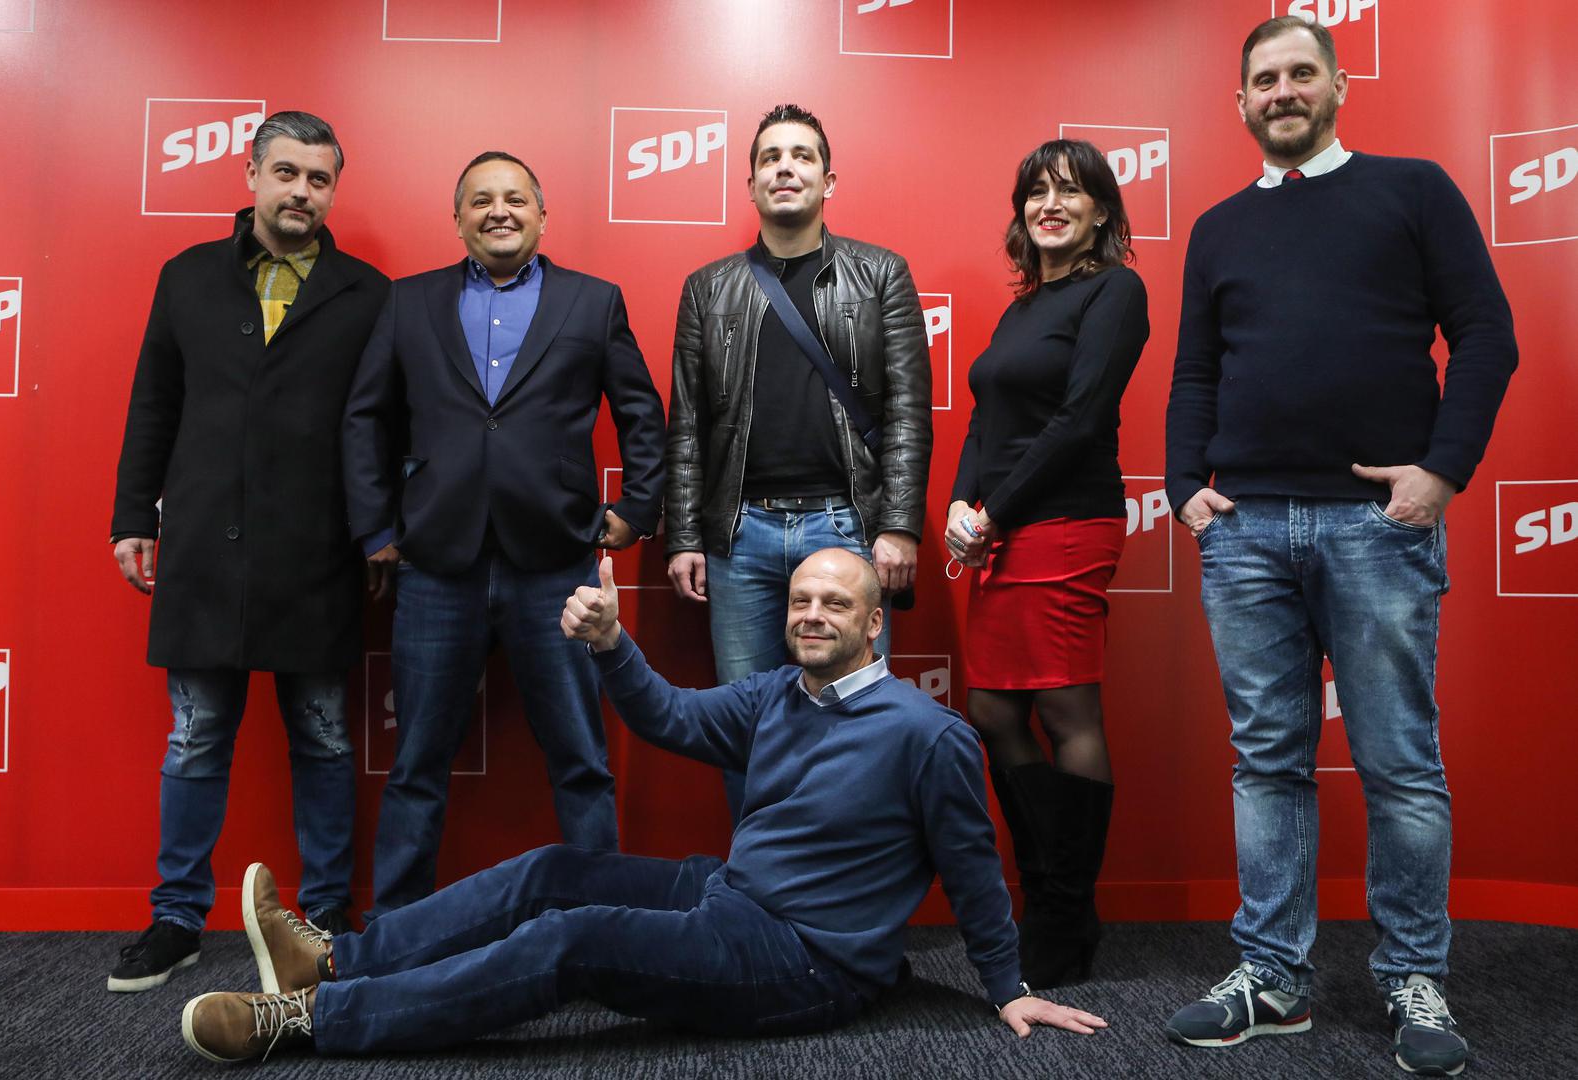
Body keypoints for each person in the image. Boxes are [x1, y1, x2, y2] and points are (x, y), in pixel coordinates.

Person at [177, 549, 1109, 1062]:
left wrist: (1006, 988)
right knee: (552, 871)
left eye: (835, 603)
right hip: (731, 895)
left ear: (874, 623)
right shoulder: (776, 694)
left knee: (573, 939)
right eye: (799, 601)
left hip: (804, 959)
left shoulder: (926, 734)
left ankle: (310, 1020)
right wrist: (612, 643)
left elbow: (972, 870)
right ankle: (332, 957)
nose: (811, 615)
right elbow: (667, 716)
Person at [1162, 17, 1517, 1076]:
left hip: (1376, 526)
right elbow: (1193, 372)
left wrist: (1441, 471)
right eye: (1262, 79)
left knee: (1398, 763)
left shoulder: (1411, 190)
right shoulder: (1217, 227)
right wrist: (1182, 489)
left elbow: (1487, 334)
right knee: (1266, 761)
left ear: (1338, 85)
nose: (1281, 92)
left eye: (1299, 74)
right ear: (1239, 102)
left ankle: (1413, 976)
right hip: (1245, 533)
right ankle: (1271, 977)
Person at [342, 151, 666, 920]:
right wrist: (375, 527)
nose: (499, 211)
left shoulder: (593, 302)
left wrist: (637, 508)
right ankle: (393, 935)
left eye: (515, 198)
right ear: (457, 219)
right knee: (416, 765)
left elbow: (641, 413)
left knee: (581, 761)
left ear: (541, 215)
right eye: (481, 200)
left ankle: (603, 927)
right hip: (435, 567)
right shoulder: (409, 302)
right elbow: (364, 417)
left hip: (555, 566)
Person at [107, 112, 390, 991]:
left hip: (318, 553)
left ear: (332, 190)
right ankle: (176, 918)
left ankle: (327, 915)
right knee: (195, 737)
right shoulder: (187, 275)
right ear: (251, 175)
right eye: (286, 173)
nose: (302, 191)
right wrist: (133, 516)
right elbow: (153, 403)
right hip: (202, 549)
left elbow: (383, 425)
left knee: (323, 738)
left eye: (318, 179)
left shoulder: (367, 292)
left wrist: (380, 531)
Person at [664, 103, 933, 820]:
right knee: (745, 730)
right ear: (751, 183)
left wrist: (898, 526)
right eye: (770, 157)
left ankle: (855, 882)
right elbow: (686, 424)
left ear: (827, 180)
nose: (785, 167)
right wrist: (685, 535)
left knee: (859, 726)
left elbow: (909, 411)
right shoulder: (707, 287)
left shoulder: (881, 274)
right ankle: (759, 877)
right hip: (739, 536)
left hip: (848, 530)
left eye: (802, 155)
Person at [945, 140, 1148, 990]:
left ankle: (1063, 916)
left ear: (1101, 211)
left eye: (1070, 191)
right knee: (992, 709)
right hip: (1002, 525)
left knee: (1066, 710)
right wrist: (959, 503)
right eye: (1036, 191)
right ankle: (1047, 898)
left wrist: (993, 511)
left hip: (1065, 523)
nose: (1050, 204)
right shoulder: (1022, 307)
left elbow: (1079, 419)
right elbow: (982, 419)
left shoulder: (1116, 291)